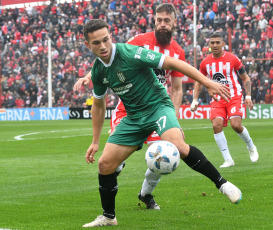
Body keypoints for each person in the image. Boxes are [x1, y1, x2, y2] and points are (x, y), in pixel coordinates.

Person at [80, 19, 242, 228]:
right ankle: (109, 217)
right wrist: (95, 141)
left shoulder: (131, 53)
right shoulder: (98, 71)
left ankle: (223, 184)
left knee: (178, 146)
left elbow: (174, 63)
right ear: (87, 45)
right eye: (96, 43)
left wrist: (207, 82)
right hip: (134, 117)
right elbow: (99, 106)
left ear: (111, 36)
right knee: (105, 164)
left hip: (158, 106)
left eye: (105, 40)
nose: (102, 46)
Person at [74, 3, 185, 210]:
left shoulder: (178, 51)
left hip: (156, 106)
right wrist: (89, 75)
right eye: (159, 20)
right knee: (112, 160)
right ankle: (115, 176)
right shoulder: (138, 41)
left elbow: (177, 89)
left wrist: (173, 120)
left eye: (166, 21)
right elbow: (110, 57)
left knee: (163, 154)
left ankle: (145, 194)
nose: (162, 24)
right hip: (129, 108)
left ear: (174, 22)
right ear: (153, 20)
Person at [191, 32, 259, 168]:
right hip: (217, 98)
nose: (215, 45)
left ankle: (251, 146)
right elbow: (198, 81)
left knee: (236, 125)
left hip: (234, 96)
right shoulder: (205, 63)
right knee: (216, 125)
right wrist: (195, 99)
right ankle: (228, 160)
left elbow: (245, 78)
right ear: (209, 45)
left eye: (217, 42)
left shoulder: (233, 59)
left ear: (223, 44)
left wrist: (248, 96)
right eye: (212, 43)